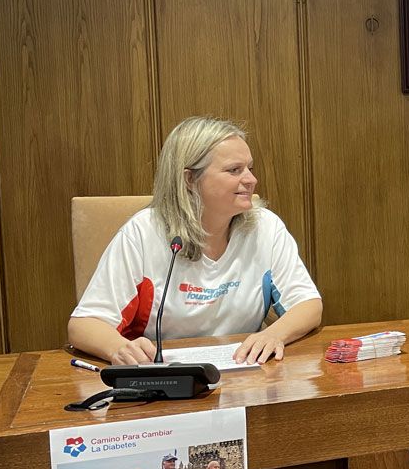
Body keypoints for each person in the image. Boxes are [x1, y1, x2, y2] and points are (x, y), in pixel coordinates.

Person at [68, 117, 323, 366]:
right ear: (190, 179)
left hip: (243, 373)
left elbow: (308, 304)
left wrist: (273, 334)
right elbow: (84, 325)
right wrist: (119, 348)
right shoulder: (143, 232)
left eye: (250, 168)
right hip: (162, 383)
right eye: (234, 170)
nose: (251, 180)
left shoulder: (265, 227)